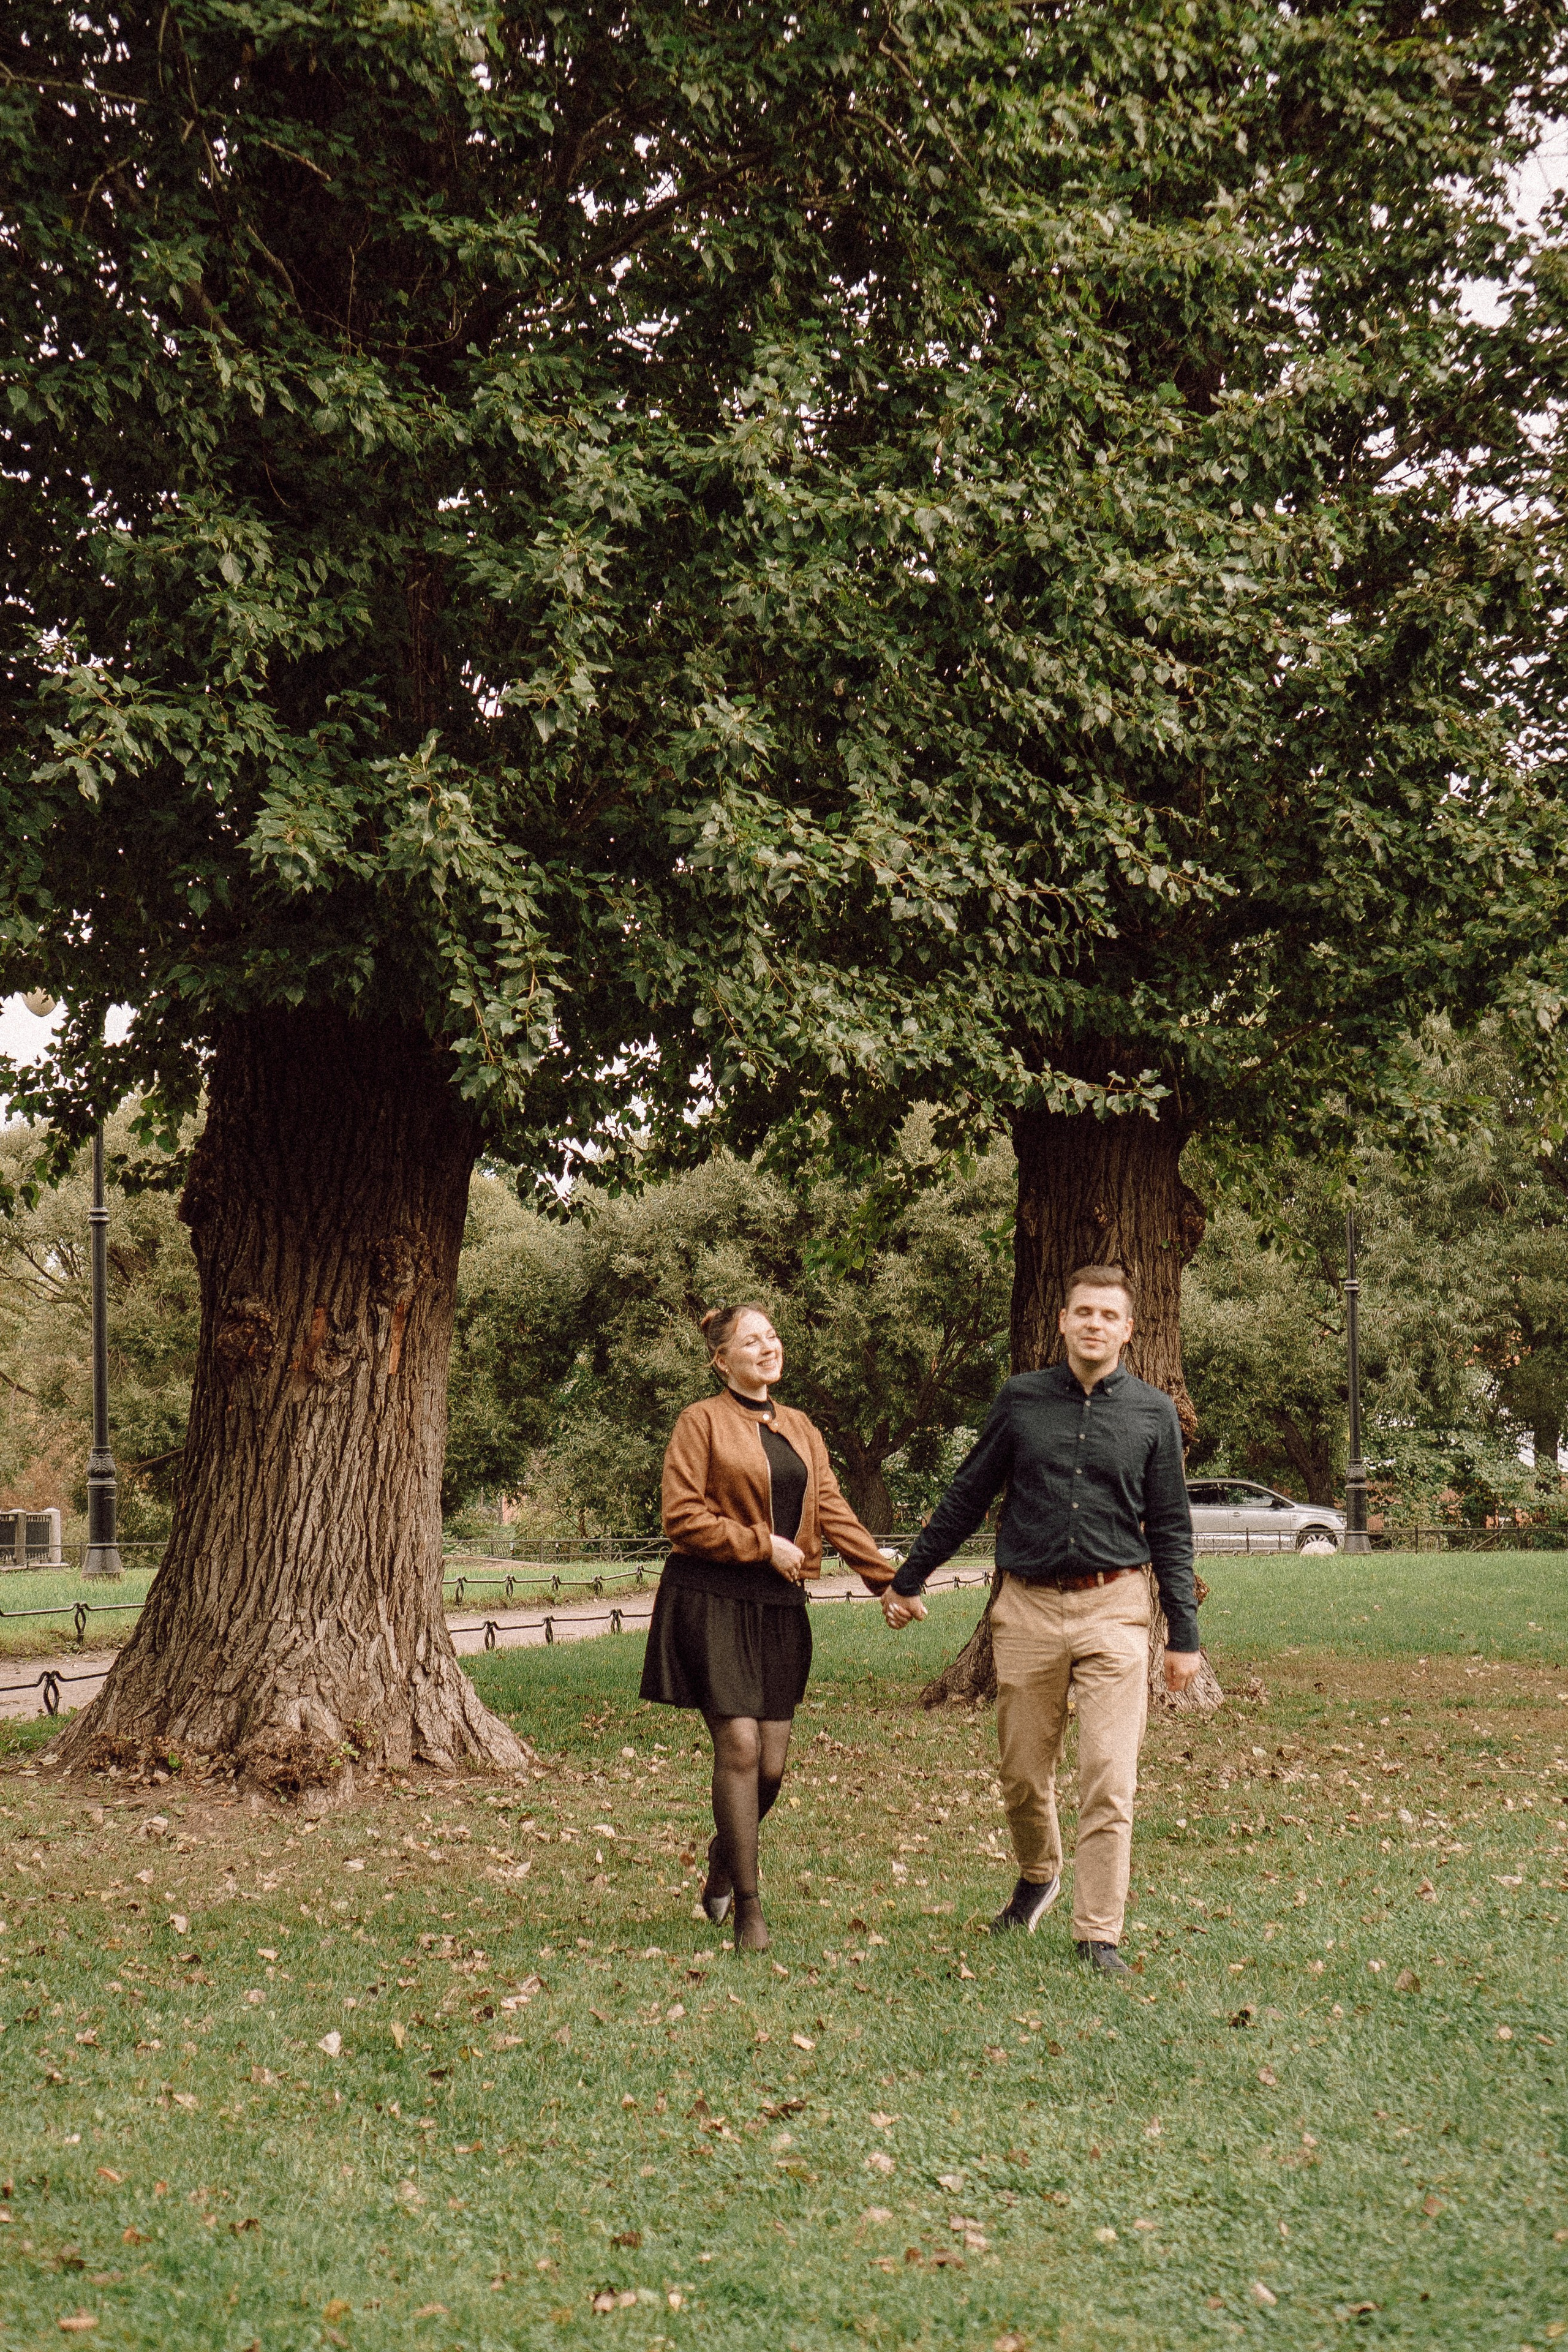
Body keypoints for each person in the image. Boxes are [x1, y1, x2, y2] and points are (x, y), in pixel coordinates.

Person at [881, 1264, 1200, 1973]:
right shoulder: (1021, 1401)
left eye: (1107, 1315)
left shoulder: (1151, 1414)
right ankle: (1038, 1875)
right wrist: (909, 1578)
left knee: (1108, 1776)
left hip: (1115, 1607)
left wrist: (1184, 1635)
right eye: (1082, 1312)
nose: (1094, 1324)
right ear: (1061, 1321)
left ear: (1126, 1330)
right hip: (1024, 1608)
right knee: (1024, 1773)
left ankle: (1098, 1933)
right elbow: (968, 1494)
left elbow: (1173, 1529)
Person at [641, 1302, 895, 1951]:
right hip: (711, 1599)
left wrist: (884, 1581)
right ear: (721, 1359)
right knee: (742, 1750)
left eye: (772, 1337)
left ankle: (726, 1856)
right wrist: (761, 1544)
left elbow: (831, 1508)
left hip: (779, 1607)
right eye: (750, 1341)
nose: (767, 1348)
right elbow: (681, 1516)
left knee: (773, 1768)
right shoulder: (699, 1422)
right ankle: (749, 1909)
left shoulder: (802, 1428)